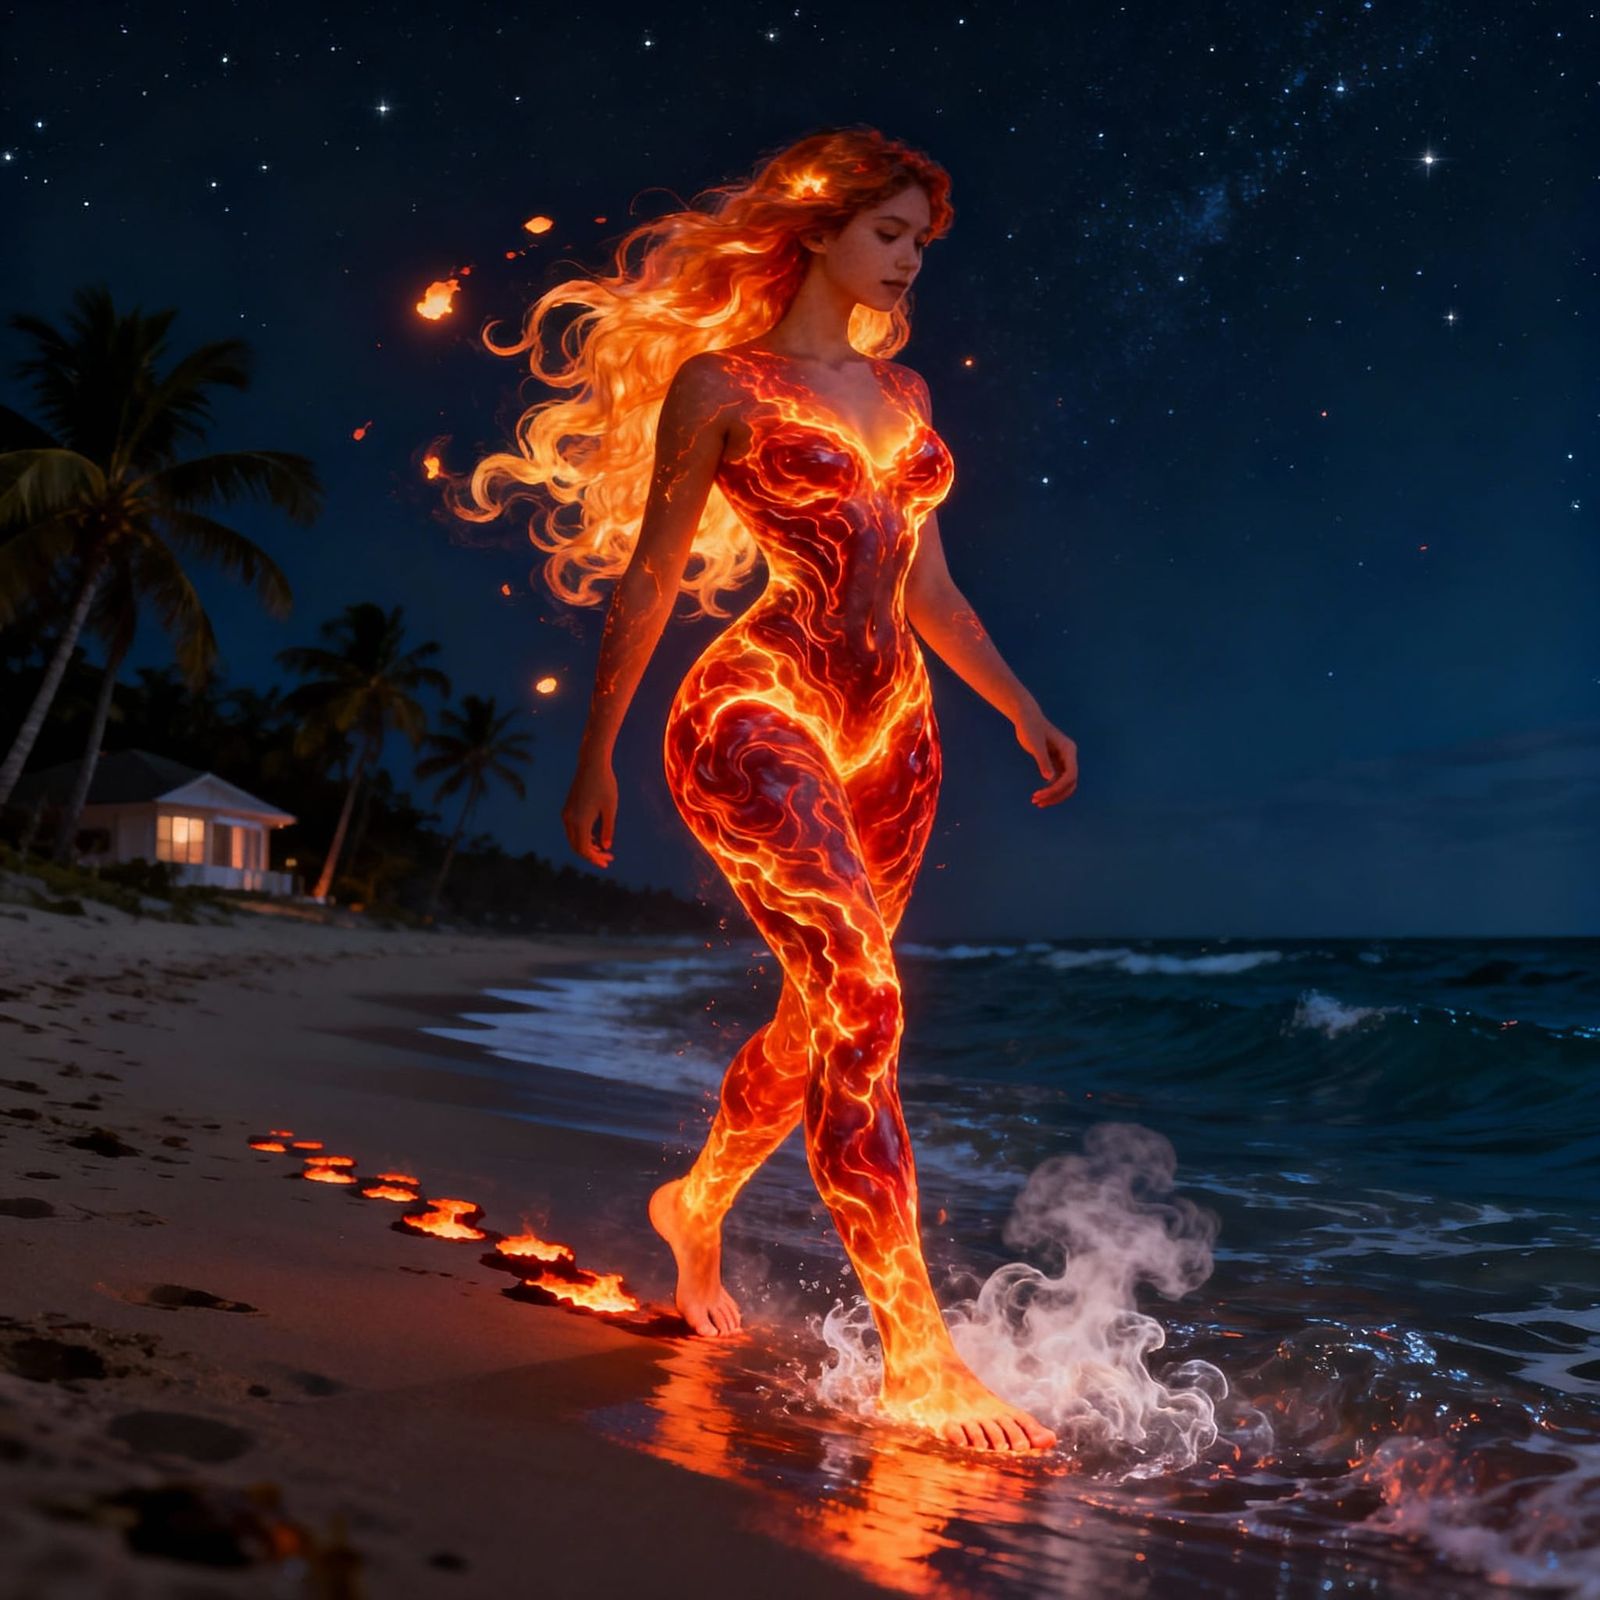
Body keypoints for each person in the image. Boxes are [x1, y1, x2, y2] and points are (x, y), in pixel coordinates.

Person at [455, 126, 1076, 1454]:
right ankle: (920, 1352)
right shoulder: (722, 382)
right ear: (818, 235)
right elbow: (655, 578)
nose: (912, 262)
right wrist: (594, 749)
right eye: (889, 235)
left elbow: (931, 589)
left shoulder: (907, 400)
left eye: (922, 241)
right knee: (865, 994)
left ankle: (697, 1205)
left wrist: (1024, 708)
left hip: (897, 730)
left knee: (822, 1019)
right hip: (757, 710)